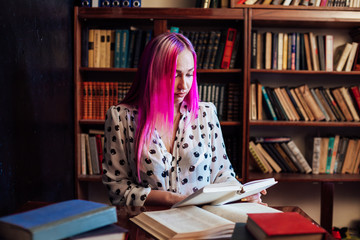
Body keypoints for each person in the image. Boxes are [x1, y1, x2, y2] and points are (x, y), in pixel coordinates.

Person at [102, 32, 266, 206]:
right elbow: (116, 187)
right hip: (149, 222)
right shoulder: (121, 118)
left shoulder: (206, 114)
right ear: (152, 74)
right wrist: (172, 199)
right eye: (175, 74)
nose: (184, 85)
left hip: (201, 221)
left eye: (189, 74)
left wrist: (243, 194)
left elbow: (222, 175)